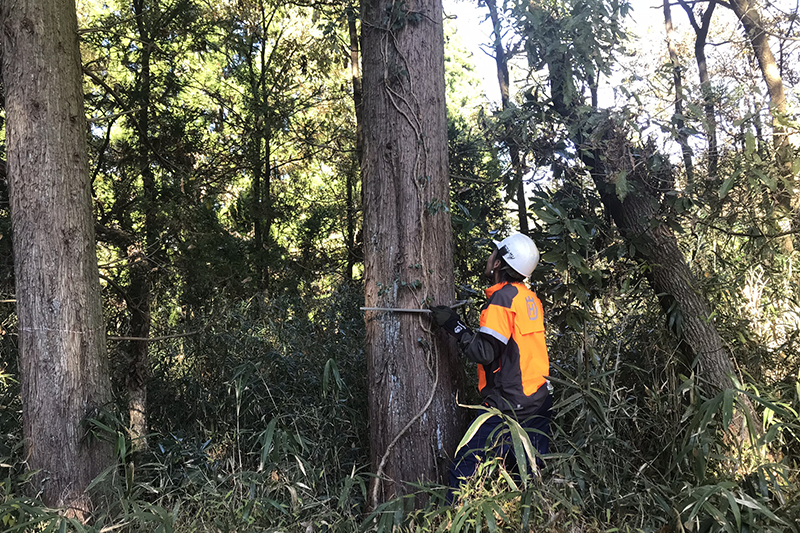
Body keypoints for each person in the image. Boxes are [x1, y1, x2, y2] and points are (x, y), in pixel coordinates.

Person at [432, 233, 552, 499]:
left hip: (510, 404)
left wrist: (454, 325)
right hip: (538, 398)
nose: (490, 257)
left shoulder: (503, 300)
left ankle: (453, 514)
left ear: (499, 263)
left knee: (465, 467)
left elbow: (484, 352)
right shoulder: (528, 298)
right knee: (526, 475)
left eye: (494, 253)